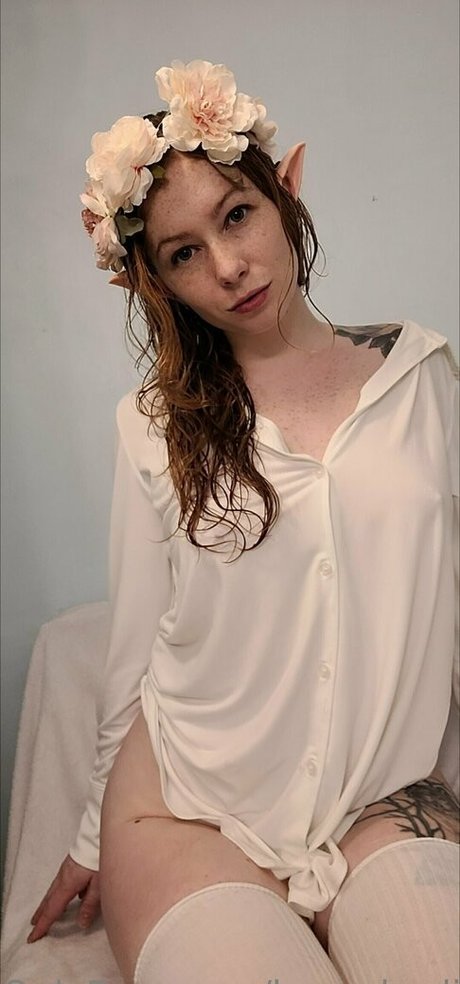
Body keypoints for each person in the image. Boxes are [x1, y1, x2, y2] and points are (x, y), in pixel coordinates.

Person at [28, 59, 459, 983]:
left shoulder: (424, 379)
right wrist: (90, 835)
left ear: (286, 187)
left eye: (236, 216)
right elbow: (137, 649)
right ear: (154, 282)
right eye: (183, 253)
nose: (228, 267)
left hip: (385, 798)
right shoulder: (153, 426)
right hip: (184, 814)